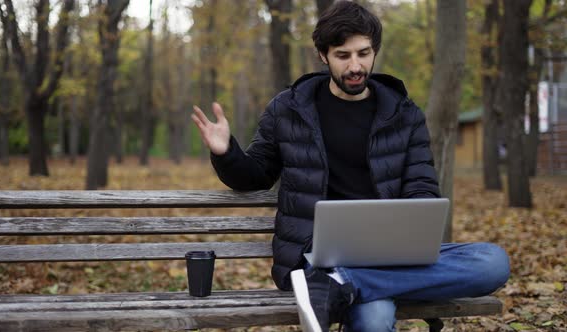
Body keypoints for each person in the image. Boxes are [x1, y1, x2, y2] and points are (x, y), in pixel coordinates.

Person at [191, 1, 510, 331]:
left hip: (386, 255)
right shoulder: (289, 109)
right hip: (313, 255)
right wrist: (226, 151)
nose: (356, 65)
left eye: (364, 53)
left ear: (375, 51)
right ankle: (336, 281)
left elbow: (422, 186)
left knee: (493, 263)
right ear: (323, 55)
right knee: (374, 318)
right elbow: (255, 174)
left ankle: (341, 284)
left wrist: (412, 227)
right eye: (343, 55)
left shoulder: (404, 115)